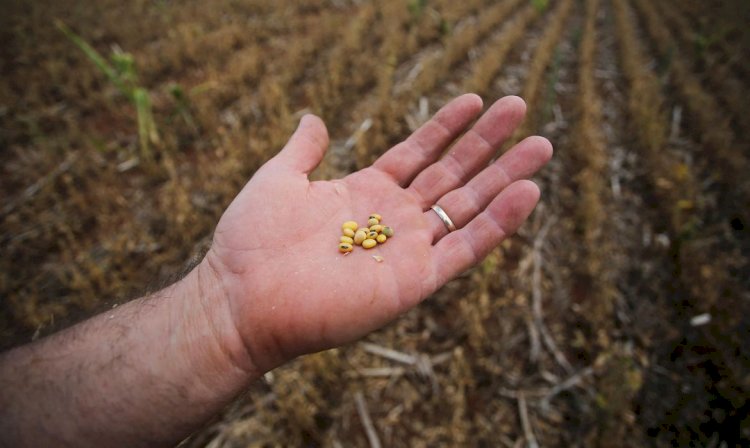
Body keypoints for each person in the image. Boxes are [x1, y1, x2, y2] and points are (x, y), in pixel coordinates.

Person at [0, 94, 552, 447]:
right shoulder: (356, 239)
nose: (365, 239)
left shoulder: (365, 235)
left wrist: (219, 313)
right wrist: (222, 309)